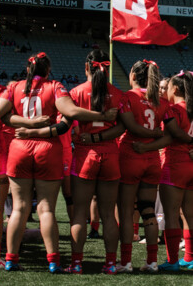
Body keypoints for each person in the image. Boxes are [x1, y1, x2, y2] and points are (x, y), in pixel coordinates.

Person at [0, 52, 117, 273]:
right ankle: (53, 262)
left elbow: (1, 113)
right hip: (48, 149)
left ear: (28, 70)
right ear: (48, 70)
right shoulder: (54, 86)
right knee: (47, 210)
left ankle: (10, 260)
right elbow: (70, 112)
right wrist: (102, 115)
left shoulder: (13, 87)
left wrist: (24, 122)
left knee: (18, 209)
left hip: (19, 147)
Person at [61, 50, 124, 274]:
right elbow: (122, 126)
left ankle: (76, 264)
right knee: (108, 214)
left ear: (86, 68)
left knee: (79, 212)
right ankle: (110, 264)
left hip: (85, 155)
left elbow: (66, 123)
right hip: (110, 155)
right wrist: (100, 136)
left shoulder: (76, 92)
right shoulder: (117, 93)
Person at [131, 71, 193, 271]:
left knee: (171, 214)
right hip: (191, 165)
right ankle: (190, 258)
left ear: (175, 89)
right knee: (190, 214)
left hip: (175, 164)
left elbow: (169, 137)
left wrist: (145, 147)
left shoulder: (173, 109)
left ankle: (173, 260)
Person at [115, 60, 169, 273]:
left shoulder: (128, 97)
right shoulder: (161, 101)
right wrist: (154, 138)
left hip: (131, 155)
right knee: (148, 211)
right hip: (152, 159)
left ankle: (126, 262)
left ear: (133, 76)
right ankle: (152, 261)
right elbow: (168, 134)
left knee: (127, 212)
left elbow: (131, 127)